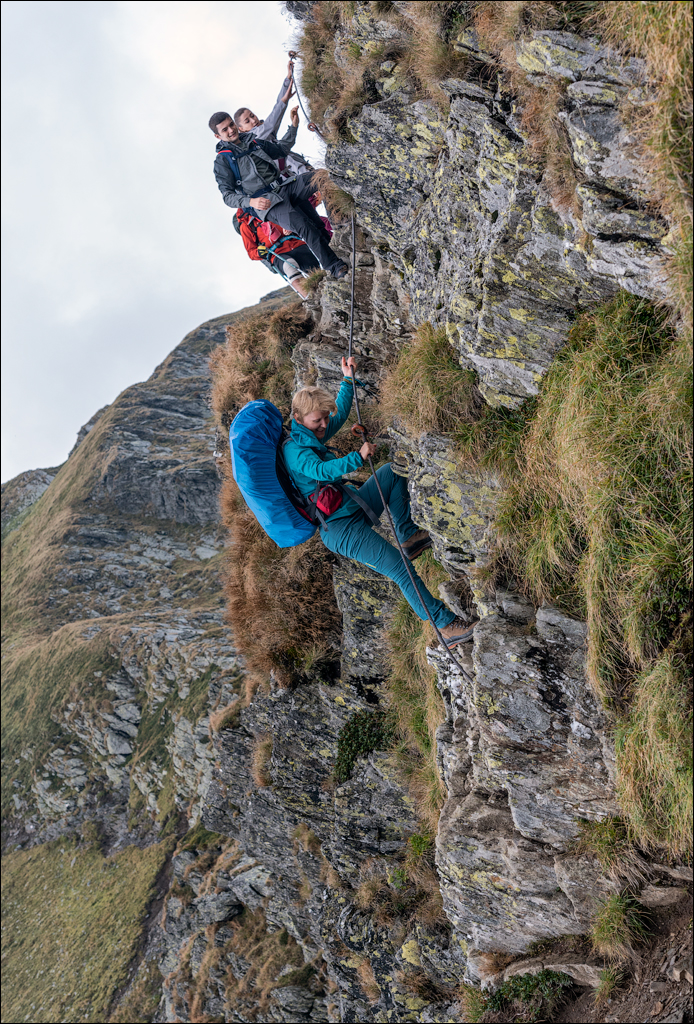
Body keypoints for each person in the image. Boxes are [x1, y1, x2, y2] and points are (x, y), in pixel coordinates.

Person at [283, 358, 479, 648]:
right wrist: (357, 457)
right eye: (317, 420)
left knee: (392, 471)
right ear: (298, 419)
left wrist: (347, 380)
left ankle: (408, 536)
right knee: (400, 570)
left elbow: (339, 415)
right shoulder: (296, 451)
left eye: (324, 417)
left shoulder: (311, 433)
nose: (325, 424)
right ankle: (446, 627)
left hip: (351, 507)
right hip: (339, 530)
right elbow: (321, 471)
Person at [209, 109, 347, 279]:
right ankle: (334, 266)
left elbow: (281, 149)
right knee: (303, 225)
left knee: (321, 177)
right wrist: (251, 202)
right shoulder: (222, 161)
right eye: (225, 130)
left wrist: (294, 126)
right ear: (218, 136)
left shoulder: (253, 141)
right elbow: (227, 196)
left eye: (231, 125)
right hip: (268, 204)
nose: (231, 130)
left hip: (285, 186)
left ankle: (342, 226)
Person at [234, 60, 312, 177]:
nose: (253, 120)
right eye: (247, 121)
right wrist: (284, 101)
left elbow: (283, 138)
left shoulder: (267, 133)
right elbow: (272, 121)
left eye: (252, 115)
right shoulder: (253, 139)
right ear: (242, 129)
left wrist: (288, 79)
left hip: (300, 167)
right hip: (293, 175)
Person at [233, 209, 319, 299]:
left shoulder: (272, 204)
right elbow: (251, 251)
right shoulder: (246, 224)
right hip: (276, 254)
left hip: (296, 244)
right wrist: (259, 252)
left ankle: (321, 297)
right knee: (289, 266)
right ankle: (312, 300)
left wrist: (291, 227)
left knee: (314, 272)